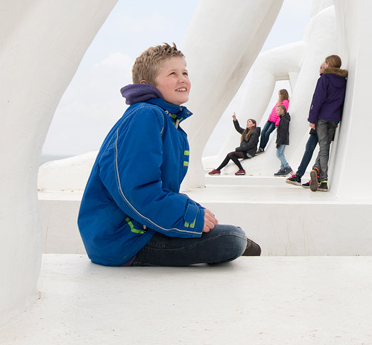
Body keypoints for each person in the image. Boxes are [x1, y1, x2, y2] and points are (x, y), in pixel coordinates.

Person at [77, 43, 260, 266]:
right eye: (172, 74)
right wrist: (190, 218)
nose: (182, 79)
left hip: (137, 229)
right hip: (123, 239)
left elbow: (160, 190)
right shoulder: (145, 116)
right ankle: (236, 240)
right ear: (147, 84)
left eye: (184, 72)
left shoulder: (169, 123)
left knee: (223, 232)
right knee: (231, 239)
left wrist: (195, 211)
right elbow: (135, 190)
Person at [305, 55, 348, 192]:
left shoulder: (324, 79)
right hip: (334, 118)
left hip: (322, 118)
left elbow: (317, 100)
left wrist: (312, 119)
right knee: (325, 146)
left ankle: (323, 180)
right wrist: (337, 119)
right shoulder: (343, 81)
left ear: (329, 64)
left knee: (323, 148)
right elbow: (341, 102)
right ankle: (316, 170)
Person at [258, 89, 290, 154]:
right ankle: (260, 147)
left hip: (274, 121)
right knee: (263, 132)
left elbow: (282, 113)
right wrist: (269, 117)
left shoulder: (285, 102)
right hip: (270, 120)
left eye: (280, 94)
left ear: (283, 94)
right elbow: (273, 111)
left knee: (267, 133)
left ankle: (262, 148)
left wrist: (277, 122)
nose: (279, 96)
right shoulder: (278, 102)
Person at [270, 104, 294, 176]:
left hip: (282, 140)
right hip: (284, 139)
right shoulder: (284, 118)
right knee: (281, 154)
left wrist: (279, 142)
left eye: (278, 110)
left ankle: (287, 167)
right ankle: (282, 169)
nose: (276, 112)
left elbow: (283, 132)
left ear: (282, 111)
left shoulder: (284, 119)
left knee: (278, 154)